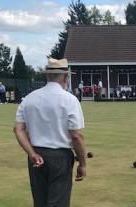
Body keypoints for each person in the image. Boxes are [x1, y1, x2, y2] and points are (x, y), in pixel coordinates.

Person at [13, 58, 87, 207]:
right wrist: (83, 163)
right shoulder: (70, 100)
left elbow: (18, 129)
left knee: (40, 202)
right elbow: (76, 136)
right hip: (60, 157)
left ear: (47, 75)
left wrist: (32, 154)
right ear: (66, 77)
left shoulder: (29, 98)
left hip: (36, 155)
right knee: (58, 203)